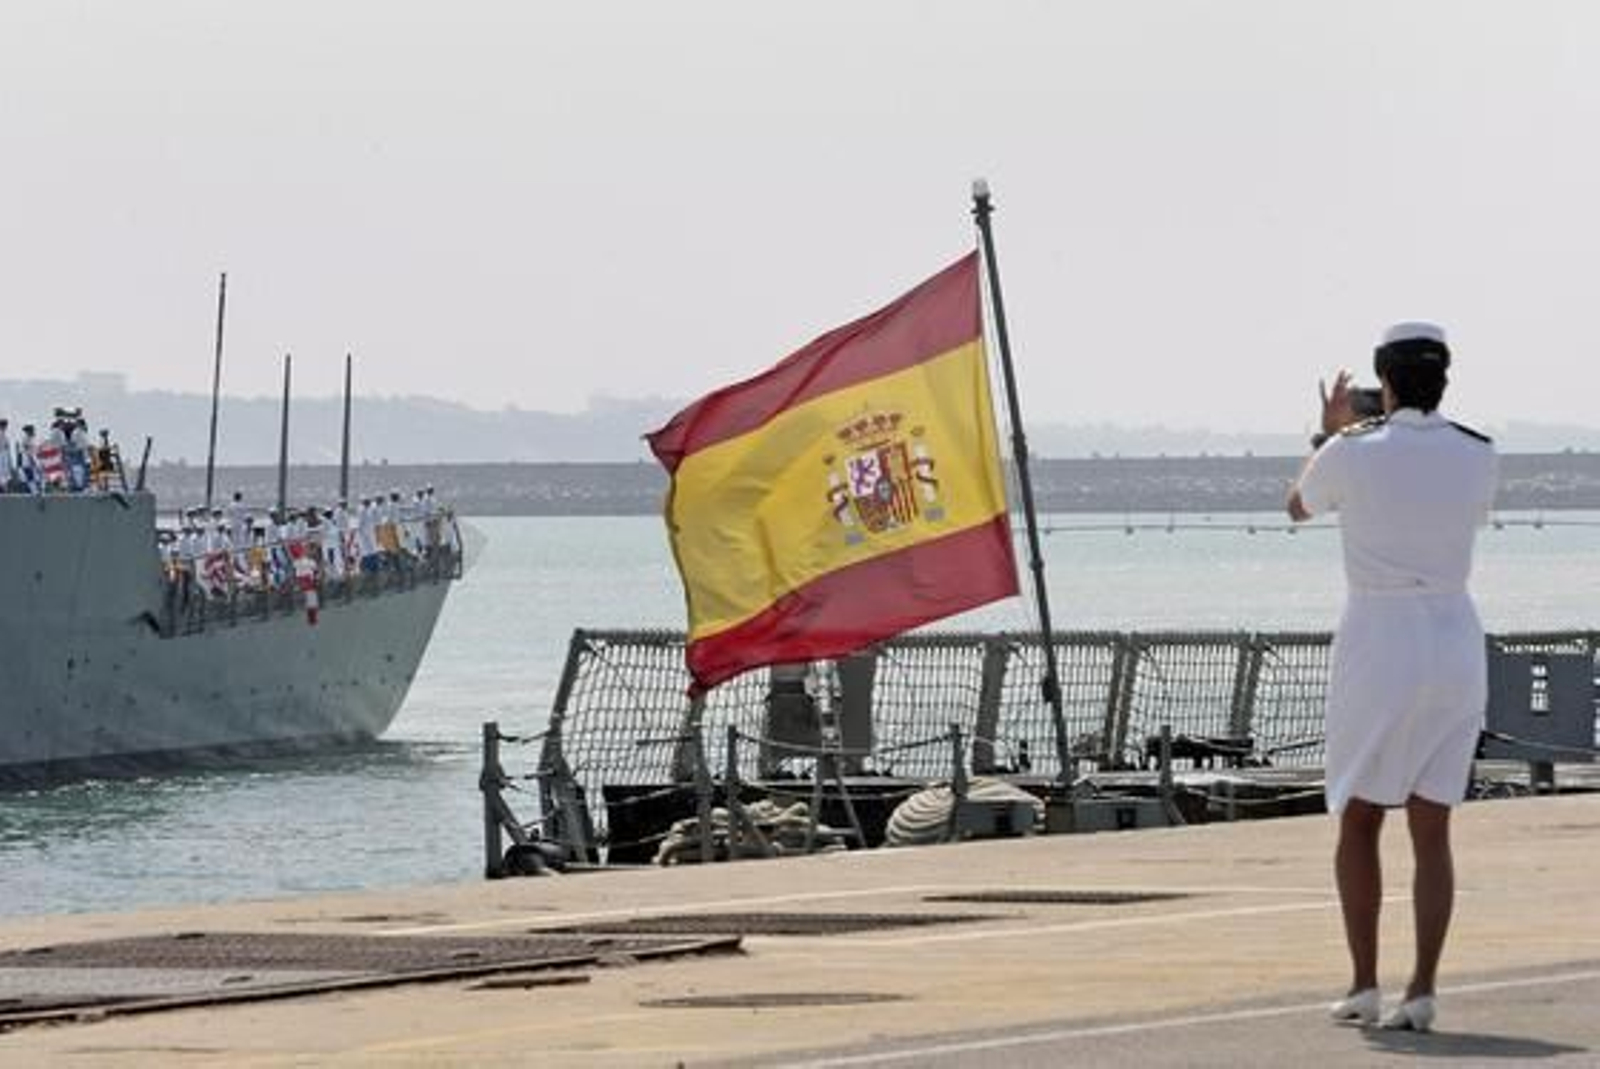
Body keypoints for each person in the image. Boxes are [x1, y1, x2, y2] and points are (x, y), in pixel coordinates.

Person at [1287, 322, 1498, 1034]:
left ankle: (1363, 984)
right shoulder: (1478, 452)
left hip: (1380, 635)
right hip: (1455, 634)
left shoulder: (1353, 450)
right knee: (1433, 824)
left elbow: (1298, 505)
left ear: (1390, 380)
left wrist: (1328, 433)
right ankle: (1424, 989)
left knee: (1359, 814)